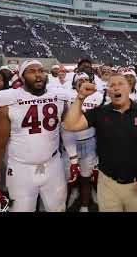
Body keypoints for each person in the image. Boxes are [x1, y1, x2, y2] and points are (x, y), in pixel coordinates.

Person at [63, 73, 137, 212]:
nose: (116, 88)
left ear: (129, 88)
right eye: (112, 85)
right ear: (108, 92)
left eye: (120, 84)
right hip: (107, 183)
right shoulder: (100, 112)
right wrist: (80, 98)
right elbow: (70, 125)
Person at [0, 60, 68, 212]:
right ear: (21, 77)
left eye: (41, 70)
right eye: (32, 71)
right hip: (21, 169)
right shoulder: (9, 99)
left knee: (58, 209)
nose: (38, 75)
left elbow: (69, 128)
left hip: (53, 165)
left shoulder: (59, 96)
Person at [61, 72, 104, 212]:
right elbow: (64, 124)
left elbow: (100, 125)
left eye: (86, 79)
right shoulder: (67, 96)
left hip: (90, 141)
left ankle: (84, 206)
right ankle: (63, 204)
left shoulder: (98, 97)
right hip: (70, 142)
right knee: (67, 179)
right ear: (74, 84)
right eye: (80, 80)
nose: (84, 82)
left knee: (86, 177)